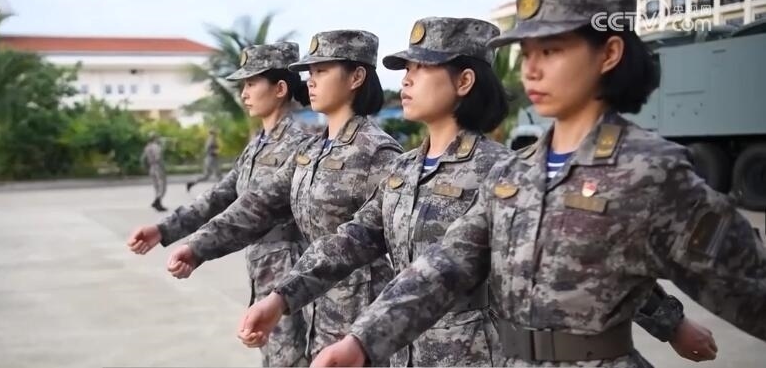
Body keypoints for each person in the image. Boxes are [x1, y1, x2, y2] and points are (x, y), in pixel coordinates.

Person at [310, 0, 766, 367]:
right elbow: (444, 267)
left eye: (551, 50)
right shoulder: (516, 176)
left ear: (608, 53)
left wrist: (672, 324)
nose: (531, 69)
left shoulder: (651, 172)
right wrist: (361, 341)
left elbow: (746, 284)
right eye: (527, 53)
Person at [237, 18, 712, 367]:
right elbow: (352, 239)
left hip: (477, 354)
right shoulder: (403, 169)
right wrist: (281, 298)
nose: (407, 79)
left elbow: (583, 260)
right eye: (406, 68)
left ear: (464, 80)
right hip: (404, 351)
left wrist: (673, 325)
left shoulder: (500, 170)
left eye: (421, 68)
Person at [163, 30, 403, 363]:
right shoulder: (312, 150)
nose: (310, 81)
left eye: (322, 71)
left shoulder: (378, 153)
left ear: (356, 77)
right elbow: (259, 204)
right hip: (315, 305)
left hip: (362, 314)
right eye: (310, 72)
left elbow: (400, 247)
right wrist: (197, 247)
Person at [127, 42, 313, 367]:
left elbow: (255, 209)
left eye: (252, 83)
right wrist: (163, 229)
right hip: (262, 271)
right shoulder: (258, 145)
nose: (244, 93)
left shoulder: (299, 145)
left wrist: (198, 248)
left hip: (289, 274)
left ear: (280, 88)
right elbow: (220, 196)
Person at [140, 132, 167, 212]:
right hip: (158, 167)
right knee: (162, 186)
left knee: (156, 186)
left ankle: (158, 202)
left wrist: (146, 167)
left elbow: (143, 159)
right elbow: (158, 157)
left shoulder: (147, 147)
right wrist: (162, 167)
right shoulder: (157, 147)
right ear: (155, 138)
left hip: (151, 167)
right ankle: (157, 202)